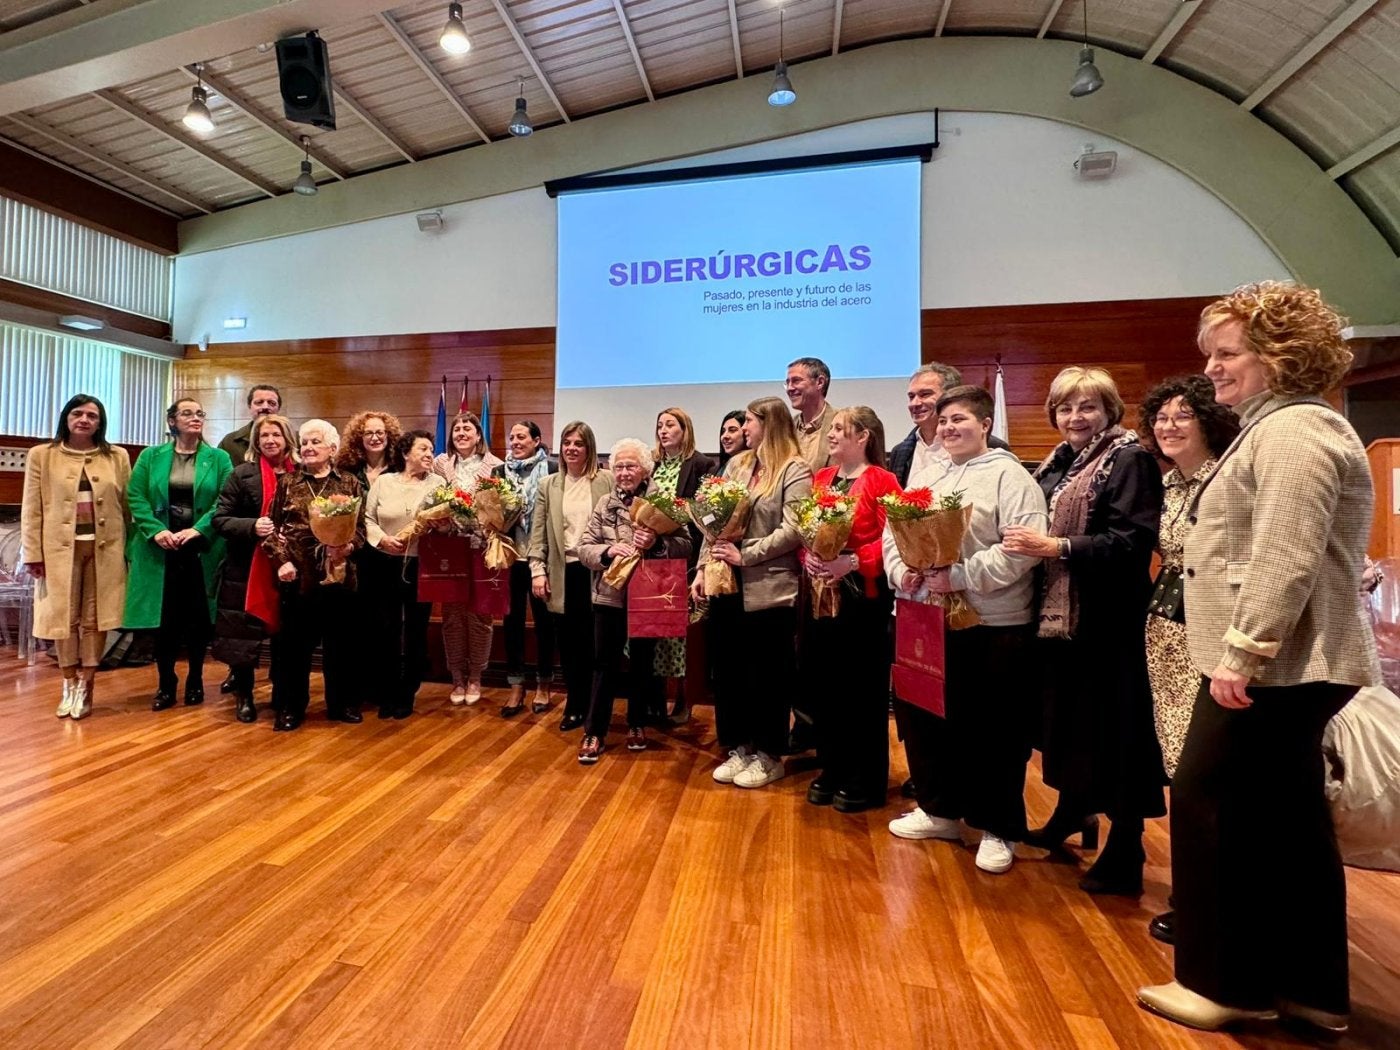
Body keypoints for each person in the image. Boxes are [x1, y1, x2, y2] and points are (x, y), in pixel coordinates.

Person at [1137, 283, 1378, 1035]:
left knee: (1210, 805)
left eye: (1227, 353)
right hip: (1291, 663)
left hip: (1279, 664)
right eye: (1211, 353)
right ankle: (1310, 990)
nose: (1211, 368)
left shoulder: (1295, 430)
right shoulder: (1276, 426)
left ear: (1278, 356)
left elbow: (1285, 552)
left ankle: (1225, 984)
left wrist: (1241, 652)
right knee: (1289, 821)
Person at [1003, 367, 1165, 896]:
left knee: (1114, 731)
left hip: (1108, 620)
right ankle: (1071, 812)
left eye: (1088, 407)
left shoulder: (1129, 458)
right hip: (1059, 617)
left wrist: (1057, 548)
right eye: (1066, 408)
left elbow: (1132, 542)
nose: (1076, 417)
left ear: (1110, 411)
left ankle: (1128, 845)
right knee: (1067, 725)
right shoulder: (1058, 462)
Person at [884, 386, 1048, 873]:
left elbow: (1019, 550)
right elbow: (896, 534)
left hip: (992, 624)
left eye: (962, 420)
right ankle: (940, 810)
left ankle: (998, 827)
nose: (951, 428)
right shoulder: (931, 474)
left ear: (985, 424)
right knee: (928, 721)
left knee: (993, 732)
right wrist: (904, 572)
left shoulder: (1011, 477)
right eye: (946, 420)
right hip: (928, 618)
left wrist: (956, 577)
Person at [1135, 375, 1240, 943]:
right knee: (1182, 771)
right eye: (1160, 417)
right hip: (1166, 634)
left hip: (1212, 640)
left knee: (1209, 775)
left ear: (1209, 420)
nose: (1168, 426)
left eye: (1183, 416)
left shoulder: (1225, 478)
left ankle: (1214, 900)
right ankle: (1194, 890)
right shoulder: (1168, 484)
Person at [694, 396, 813, 788]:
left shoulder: (794, 469)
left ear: (770, 423)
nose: (743, 428)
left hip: (769, 587)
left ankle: (768, 753)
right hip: (725, 581)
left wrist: (746, 555)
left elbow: (795, 528)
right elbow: (712, 522)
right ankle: (738, 747)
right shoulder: (737, 464)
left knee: (768, 674)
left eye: (749, 421)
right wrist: (700, 569)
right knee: (729, 670)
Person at [802, 406, 900, 813]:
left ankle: (867, 778)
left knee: (862, 689)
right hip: (823, 591)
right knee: (826, 685)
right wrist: (809, 555)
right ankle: (833, 766)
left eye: (840, 429)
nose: (832, 435)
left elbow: (897, 537)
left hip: (864, 595)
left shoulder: (882, 480)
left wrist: (854, 561)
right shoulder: (822, 479)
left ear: (863, 437)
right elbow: (808, 528)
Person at [576, 439, 692, 763]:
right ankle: (594, 731)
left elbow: (686, 545)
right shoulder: (603, 503)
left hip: (649, 595)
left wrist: (657, 542)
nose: (624, 472)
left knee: (642, 662)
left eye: (631, 466)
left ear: (646, 469)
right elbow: (584, 548)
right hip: (608, 596)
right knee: (603, 663)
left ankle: (637, 723)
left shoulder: (664, 502)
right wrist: (608, 551)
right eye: (619, 467)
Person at [21, 394, 130, 720]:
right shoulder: (42, 455)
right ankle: (68, 682)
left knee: (97, 619)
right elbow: (32, 507)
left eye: (92, 416)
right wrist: (32, 553)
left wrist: (132, 549)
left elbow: (127, 506)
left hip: (105, 549)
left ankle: (87, 684)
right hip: (56, 552)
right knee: (63, 618)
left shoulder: (117, 456)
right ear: (66, 418)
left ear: (101, 422)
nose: (84, 420)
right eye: (78, 413)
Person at [124, 398, 233, 712]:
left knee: (198, 620)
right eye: (187, 413)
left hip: (200, 548)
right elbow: (136, 495)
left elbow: (223, 500)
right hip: (162, 548)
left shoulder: (218, 457)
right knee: (165, 621)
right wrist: (156, 530)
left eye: (200, 413)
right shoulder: (150, 456)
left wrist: (198, 529)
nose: (195, 418)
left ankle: (196, 678)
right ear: (172, 421)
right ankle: (166, 681)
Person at [264, 419, 366, 730]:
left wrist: (346, 548)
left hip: (338, 578)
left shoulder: (350, 483)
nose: (307, 448)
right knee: (294, 648)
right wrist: (282, 561)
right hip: (298, 577)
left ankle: (342, 704)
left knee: (342, 646)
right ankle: (291, 707)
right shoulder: (288, 483)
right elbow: (271, 530)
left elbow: (361, 531)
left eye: (315, 442)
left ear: (332, 449)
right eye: (304, 442)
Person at [527, 421, 613, 731]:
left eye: (578, 443)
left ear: (589, 448)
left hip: (600, 573)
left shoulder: (608, 480)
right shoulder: (548, 485)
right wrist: (538, 570)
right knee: (570, 646)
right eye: (567, 443)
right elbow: (538, 534)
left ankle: (595, 708)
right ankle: (575, 705)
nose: (571, 448)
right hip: (565, 573)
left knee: (596, 644)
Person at [211, 414, 298, 723]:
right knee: (243, 638)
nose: (270, 440)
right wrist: (252, 525)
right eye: (264, 436)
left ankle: (282, 693)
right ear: (256, 442)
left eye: (276, 435)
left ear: (288, 439)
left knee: (286, 636)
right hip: (246, 568)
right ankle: (244, 695)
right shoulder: (240, 475)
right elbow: (220, 519)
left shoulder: (302, 475)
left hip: (291, 568)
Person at [364, 430, 440, 720]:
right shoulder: (384, 481)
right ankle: (388, 691)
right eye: (423, 448)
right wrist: (382, 539)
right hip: (385, 562)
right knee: (387, 628)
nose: (429, 454)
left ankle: (408, 691)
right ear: (406, 453)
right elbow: (368, 518)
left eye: (432, 450)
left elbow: (443, 522)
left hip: (421, 565)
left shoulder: (438, 484)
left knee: (416, 630)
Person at [650, 406, 716, 724]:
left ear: (684, 430)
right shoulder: (652, 464)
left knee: (679, 633)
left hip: (684, 556)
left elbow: (706, 513)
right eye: (660, 425)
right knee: (654, 629)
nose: (664, 431)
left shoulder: (701, 464)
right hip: (652, 558)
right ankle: (656, 697)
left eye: (670, 425)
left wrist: (680, 512)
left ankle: (683, 699)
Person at [433, 411, 503, 705]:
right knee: (451, 617)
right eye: (456, 429)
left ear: (478, 435)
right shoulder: (440, 464)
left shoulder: (496, 466)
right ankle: (457, 677)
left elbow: (504, 506)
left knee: (480, 616)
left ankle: (476, 676)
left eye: (467, 428)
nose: (461, 432)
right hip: (448, 548)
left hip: (482, 548)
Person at [495, 420, 557, 716]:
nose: (515, 442)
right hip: (510, 559)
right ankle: (516, 685)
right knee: (512, 625)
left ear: (537, 440)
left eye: (521, 437)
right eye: (512, 437)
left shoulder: (553, 470)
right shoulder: (498, 473)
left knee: (546, 624)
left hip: (542, 559)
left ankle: (544, 684)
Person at [888, 363, 1013, 488]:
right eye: (911, 396)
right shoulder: (900, 452)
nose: (914, 403)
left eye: (925, 394)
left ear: (950, 396)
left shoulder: (993, 446)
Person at [786, 357, 835, 471]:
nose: (789, 388)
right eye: (787, 382)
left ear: (820, 382)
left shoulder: (842, 424)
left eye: (796, 381)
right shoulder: (786, 427)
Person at [337, 410, 404, 491]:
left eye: (380, 432)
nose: (375, 438)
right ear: (359, 437)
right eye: (368, 433)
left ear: (389, 435)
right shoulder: (348, 470)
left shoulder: (400, 469)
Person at [217, 384, 282, 465]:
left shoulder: (295, 440)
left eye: (271, 403)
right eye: (259, 402)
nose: (265, 406)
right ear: (249, 406)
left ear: (279, 408)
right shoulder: (229, 442)